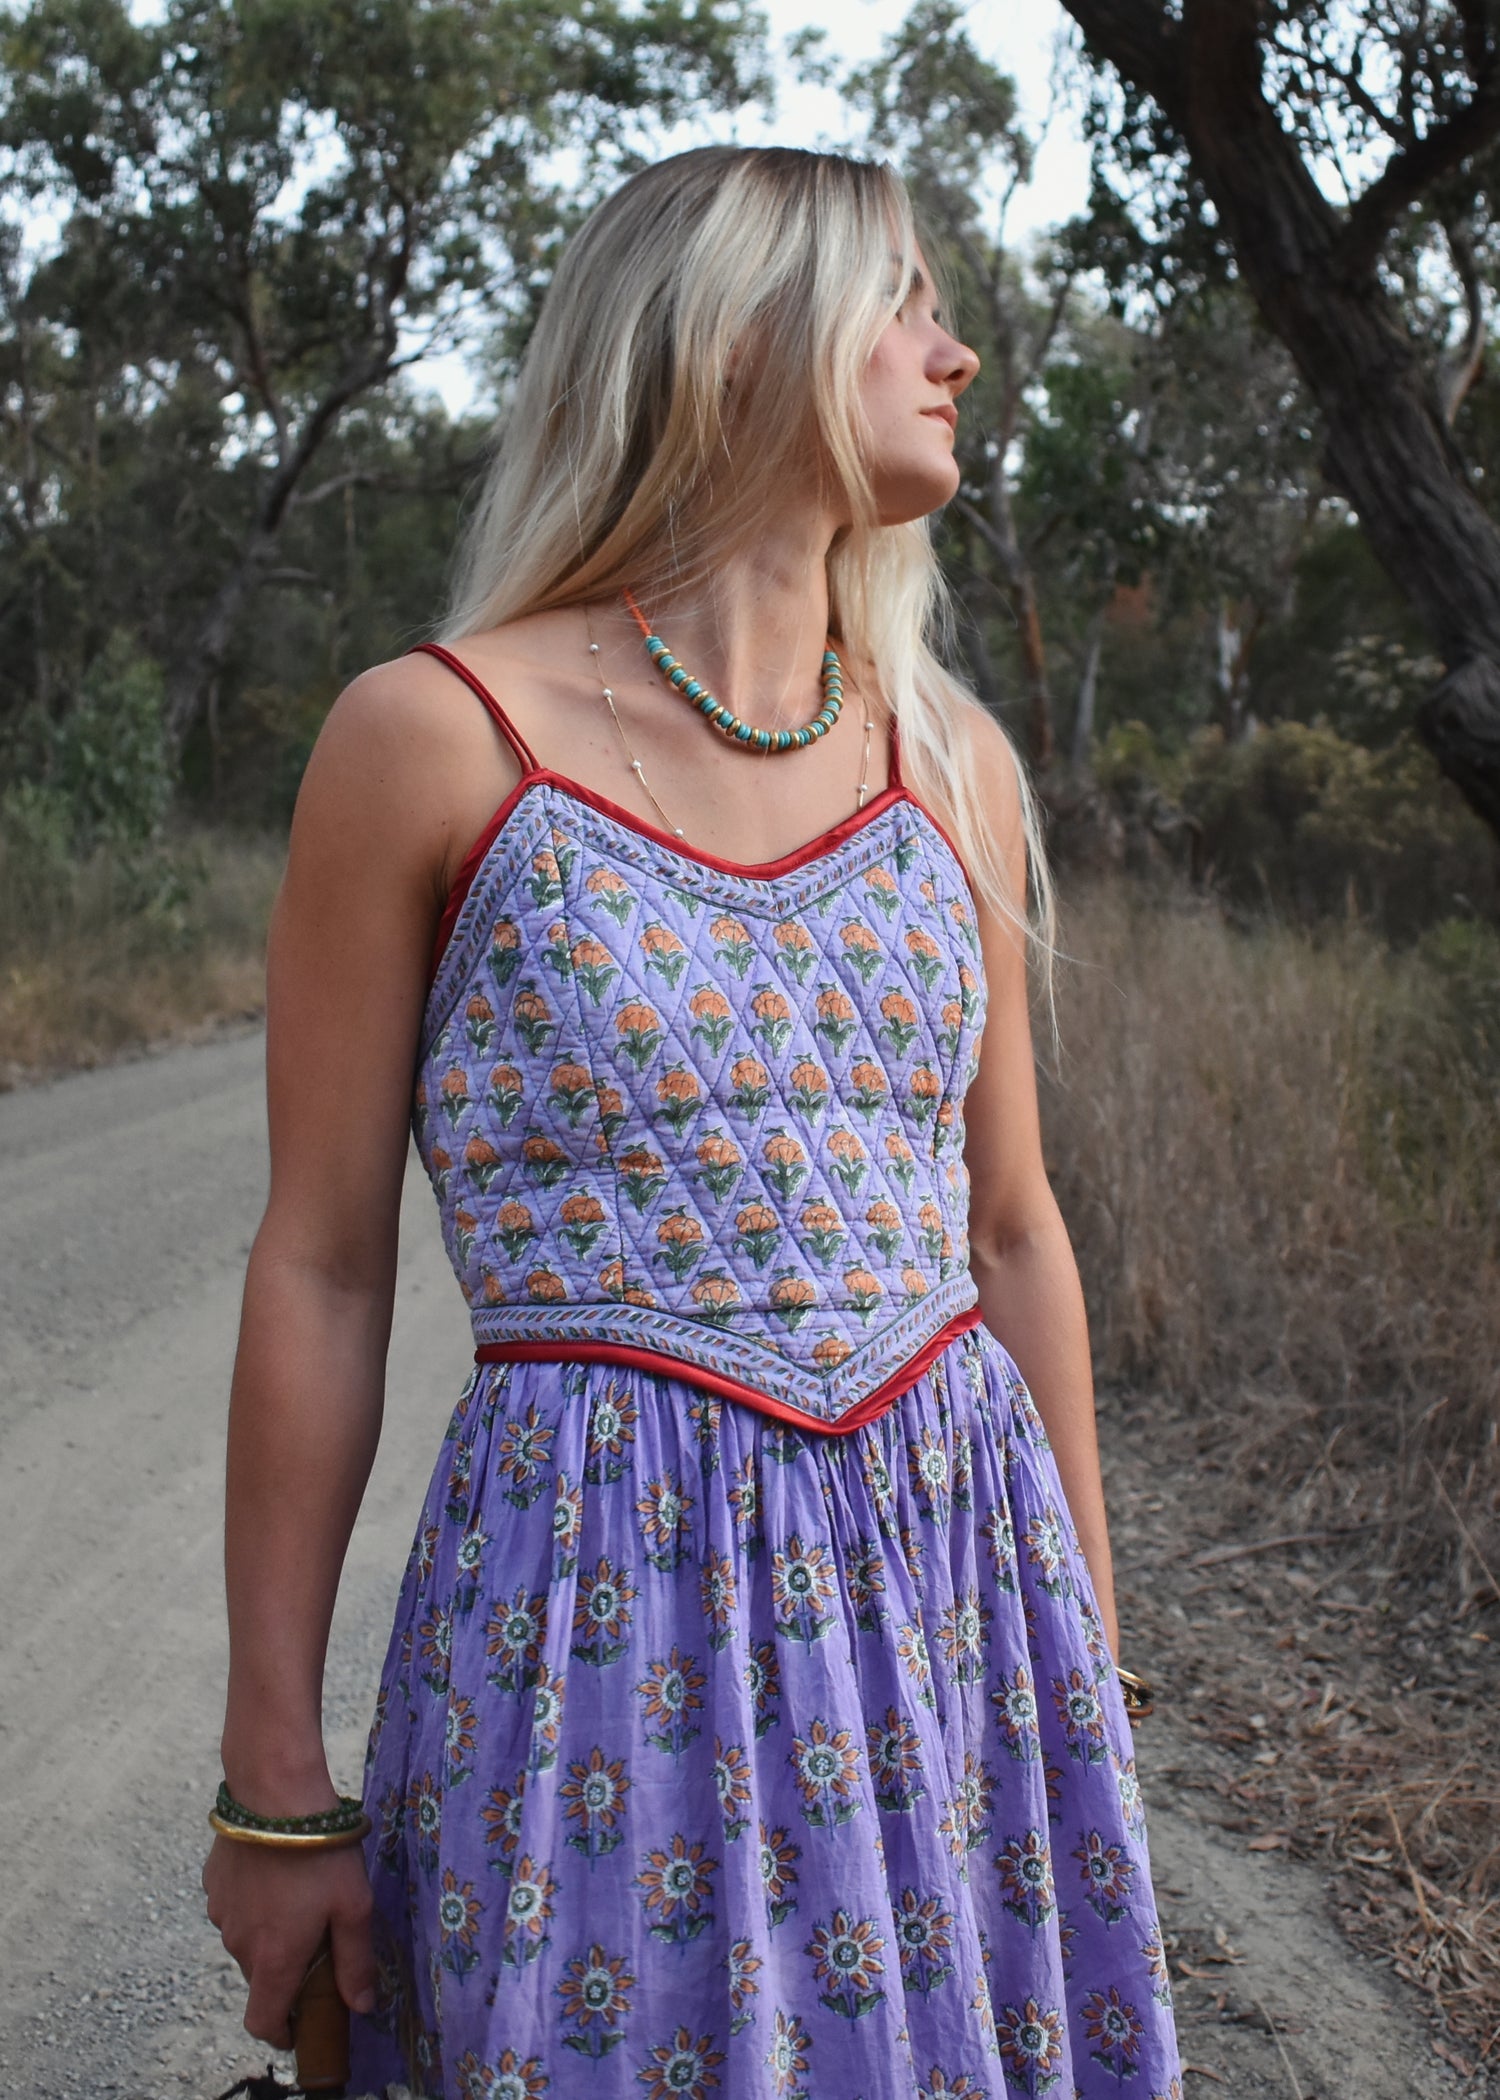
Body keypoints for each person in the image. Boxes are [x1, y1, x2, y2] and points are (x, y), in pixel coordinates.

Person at [203, 143, 1182, 2100]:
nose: (957, 351)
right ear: (739, 337)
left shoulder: (955, 764)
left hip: (947, 1605)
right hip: (596, 1630)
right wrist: (277, 1784)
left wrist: (1089, 1677)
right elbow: (319, 1262)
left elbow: (1009, 1235)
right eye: (903, 298)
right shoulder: (432, 739)